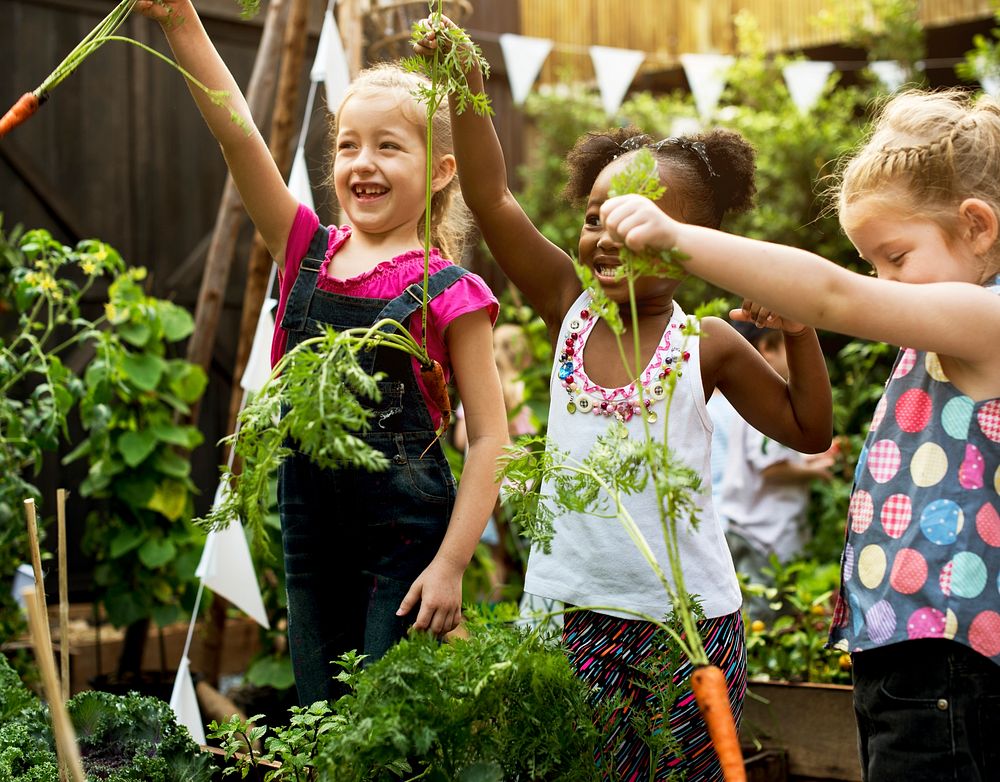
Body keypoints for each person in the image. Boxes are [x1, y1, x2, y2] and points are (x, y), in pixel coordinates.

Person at [416, 22, 833, 781]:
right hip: (567, 615)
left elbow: (809, 430)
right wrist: (465, 79)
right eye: (594, 216)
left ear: (695, 241)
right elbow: (490, 194)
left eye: (637, 218)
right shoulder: (566, 307)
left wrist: (800, 334)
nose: (607, 235)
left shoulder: (705, 344)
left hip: (688, 628)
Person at [600, 88, 1000, 782]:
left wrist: (679, 239)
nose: (881, 282)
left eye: (895, 257)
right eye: (873, 264)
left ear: (977, 225)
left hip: (947, 663)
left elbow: (833, 294)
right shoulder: (950, 335)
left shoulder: (985, 322)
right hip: (914, 654)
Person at [137, 0, 509, 707]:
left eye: (389, 146)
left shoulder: (451, 291)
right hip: (308, 526)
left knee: (386, 714)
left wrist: (453, 565)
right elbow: (238, 136)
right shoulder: (303, 247)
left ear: (440, 170)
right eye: (348, 145)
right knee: (322, 707)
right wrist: (179, 19)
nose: (362, 164)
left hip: (407, 540)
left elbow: (491, 440)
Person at [717, 324, 836, 617]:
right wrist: (818, 473)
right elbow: (771, 467)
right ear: (768, 348)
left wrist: (815, 462)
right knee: (765, 617)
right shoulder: (770, 396)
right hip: (761, 533)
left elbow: (772, 458)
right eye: (792, 346)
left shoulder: (753, 395)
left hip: (751, 527)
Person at [453, 322, 536, 600]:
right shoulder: (526, 392)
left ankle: (490, 612)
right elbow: (531, 440)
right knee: (523, 550)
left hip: (486, 477)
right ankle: (530, 611)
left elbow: (461, 441)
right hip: (517, 481)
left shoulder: (478, 388)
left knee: (492, 557)